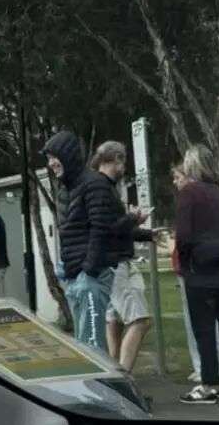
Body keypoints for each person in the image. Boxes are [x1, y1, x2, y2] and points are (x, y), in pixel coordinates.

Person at [174, 144, 219, 404]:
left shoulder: (188, 193)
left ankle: (208, 384)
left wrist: (185, 260)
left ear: (191, 165)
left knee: (203, 329)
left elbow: (183, 235)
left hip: (199, 268)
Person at [42, 130, 120, 353]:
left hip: (90, 278)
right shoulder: (65, 189)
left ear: (67, 155)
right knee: (84, 346)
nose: (51, 163)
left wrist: (89, 271)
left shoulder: (94, 184)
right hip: (74, 276)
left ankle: (102, 378)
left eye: (54, 157)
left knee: (93, 347)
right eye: (49, 159)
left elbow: (100, 230)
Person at [91, 141, 154, 376]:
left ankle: (112, 370)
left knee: (114, 319)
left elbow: (117, 228)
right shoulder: (102, 188)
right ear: (116, 159)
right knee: (140, 320)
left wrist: (146, 233)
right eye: (123, 161)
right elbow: (108, 229)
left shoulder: (104, 187)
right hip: (115, 263)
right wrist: (133, 218)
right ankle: (122, 378)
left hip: (113, 262)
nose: (124, 167)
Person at [170, 167, 219, 384]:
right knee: (193, 321)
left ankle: (218, 367)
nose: (175, 182)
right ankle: (202, 366)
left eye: (178, 177)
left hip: (198, 269)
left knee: (206, 320)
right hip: (189, 268)